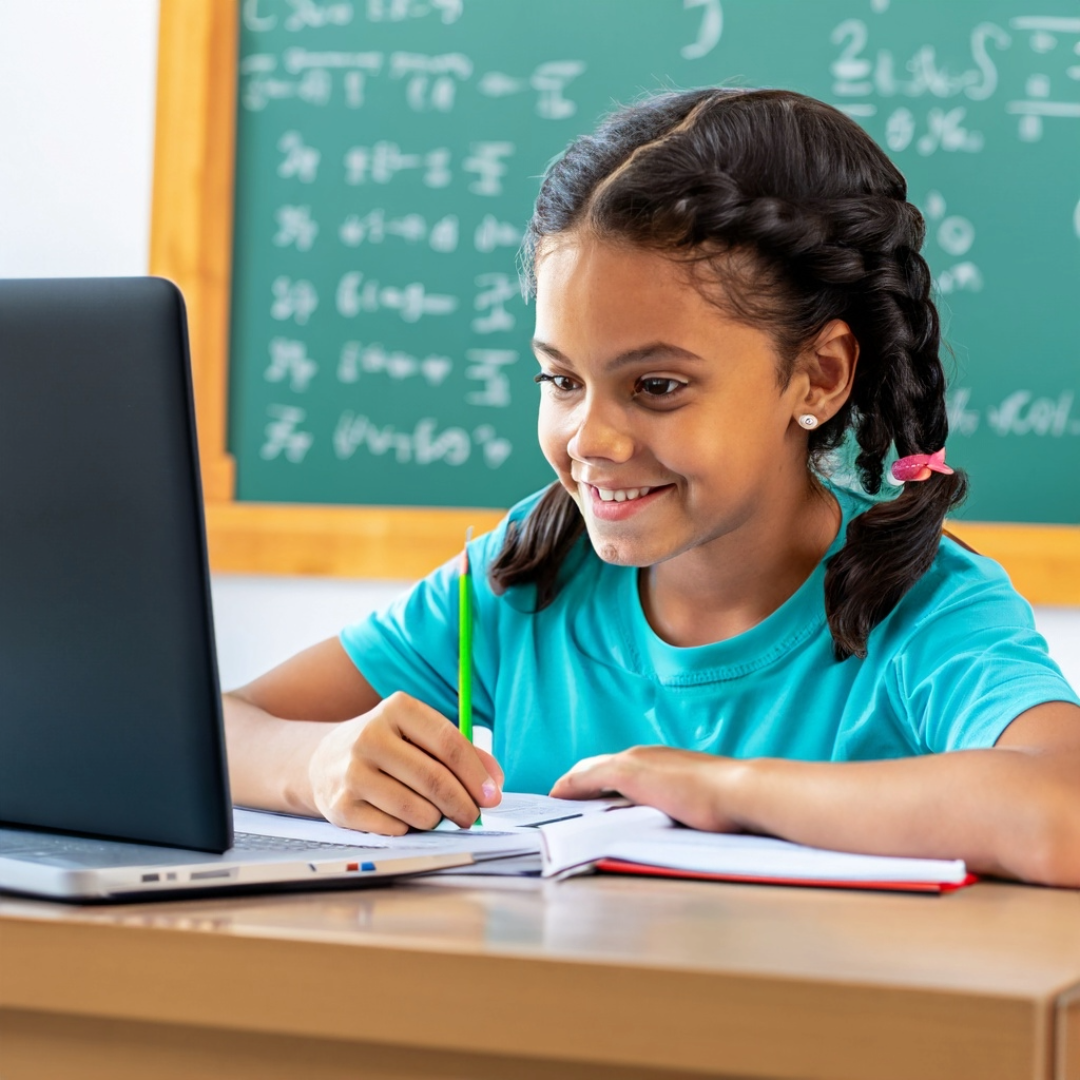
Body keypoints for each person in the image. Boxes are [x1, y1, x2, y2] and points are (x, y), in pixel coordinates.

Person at [225, 88, 1080, 885]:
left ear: (818, 376)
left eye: (658, 387)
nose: (591, 440)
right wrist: (316, 765)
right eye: (561, 381)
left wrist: (727, 792)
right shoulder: (529, 576)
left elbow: (1063, 810)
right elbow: (211, 730)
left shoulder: (926, 611)